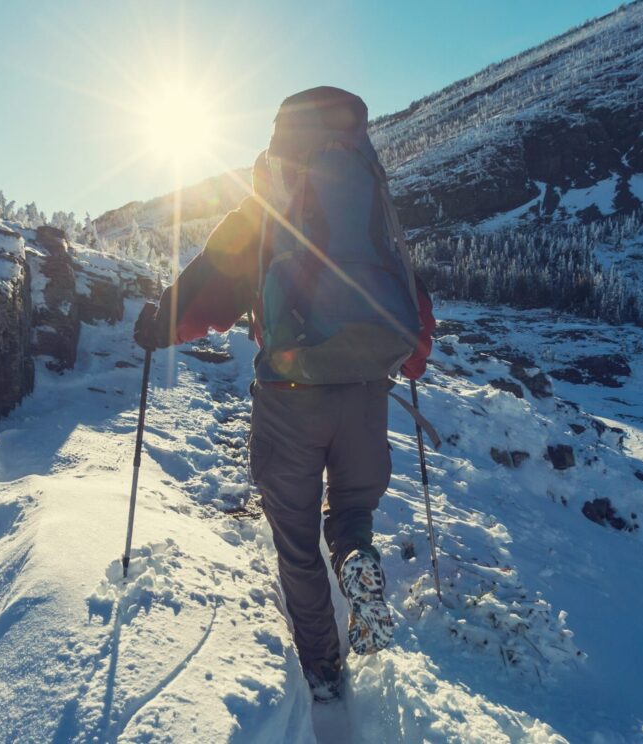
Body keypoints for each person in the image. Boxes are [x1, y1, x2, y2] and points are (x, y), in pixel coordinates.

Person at [133, 87, 435, 703]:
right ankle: (355, 555)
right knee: (350, 511)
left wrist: (157, 326)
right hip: (366, 392)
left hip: (291, 396)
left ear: (278, 143)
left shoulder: (262, 210)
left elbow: (204, 294)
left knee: (296, 541)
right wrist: (411, 360)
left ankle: (323, 671)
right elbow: (409, 297)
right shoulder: (370, 205)